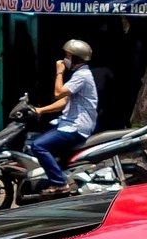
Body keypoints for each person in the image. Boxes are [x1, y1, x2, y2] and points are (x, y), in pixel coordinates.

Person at [29, 39, 99, 195]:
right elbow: (64, 101)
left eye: (67, 56)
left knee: (38, 146)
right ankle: (59, 174)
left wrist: (59, 71)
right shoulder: (79, 75)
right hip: (70, 123)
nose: (63, 60)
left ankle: (60, 183)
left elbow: (58, 92)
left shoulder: (82, 75)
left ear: (76, 58)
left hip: (76, 126)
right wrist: (41, 110)